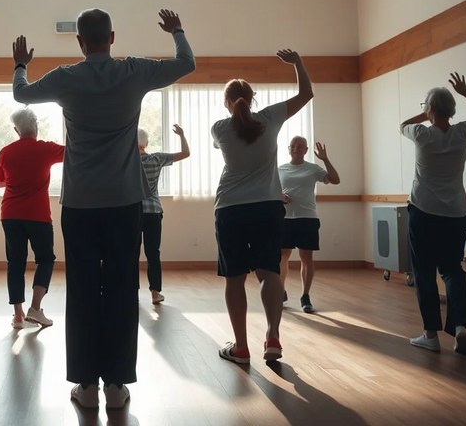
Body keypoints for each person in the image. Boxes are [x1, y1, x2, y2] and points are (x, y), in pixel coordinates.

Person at [12, 8, 195, 410]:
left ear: (79, 42)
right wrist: (177, 30)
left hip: (79, 203)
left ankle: (86, 387)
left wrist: (21, 65)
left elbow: (21, 94)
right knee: (120, 288)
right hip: (124, 202)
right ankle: (115, 385)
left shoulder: (65, 77)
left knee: (80, 290)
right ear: (112, 37)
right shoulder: (133, 72)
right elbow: (187, 63)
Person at [212, 49, 314, 366]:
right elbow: (306, 93)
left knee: (235, 278)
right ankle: (272, 337)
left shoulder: (220, 128)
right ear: (253, 98)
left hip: (230, 208)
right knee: (270, 272)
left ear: (227, 103)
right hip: (268, 207)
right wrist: (297, 63)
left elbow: (226, 140)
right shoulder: (270, 118)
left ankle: (241, 347)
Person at [400, 72, 466, 355]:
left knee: (424, 272)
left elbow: (402, 124)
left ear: (429, 109)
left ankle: (430, 334)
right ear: (451, 110)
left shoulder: (422, 133)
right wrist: (465, 93)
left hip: (424, 211)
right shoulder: (463, 132)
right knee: (453, 270)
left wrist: (425, 112)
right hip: (456, 213)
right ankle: (462, 328)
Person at [0, 107, 64, 329]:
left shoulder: (6, 152)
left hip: (10, 214)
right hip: (38, 215)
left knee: (15, 262)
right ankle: (35, 308)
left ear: (17, 130)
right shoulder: (47, 149)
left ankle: (17, 316)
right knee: (45, 259)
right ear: (36, 128)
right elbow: (73, 150)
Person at [278, 137, 340, 313]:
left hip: (307, 218)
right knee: (283, 256)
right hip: (285, 218)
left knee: (306, 257)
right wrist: (279, 196)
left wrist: (325, 159)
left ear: (306, 150)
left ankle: (305, 295)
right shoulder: (280, 170)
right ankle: (281, 291)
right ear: (289, 149)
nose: (296, 148)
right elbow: (270, 189)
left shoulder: (313, 169)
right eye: (293, 146)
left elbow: (335, 180)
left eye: (300, 146)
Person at [137, 123, 190, 305]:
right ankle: (155, 293)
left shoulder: (126, 161)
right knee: (153, 252)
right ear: (147, 142)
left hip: (132, 212)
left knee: (131, 253)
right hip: (153, 211)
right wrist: (182, 135)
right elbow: (185, 154)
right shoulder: (156, 158)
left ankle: (131, 292)